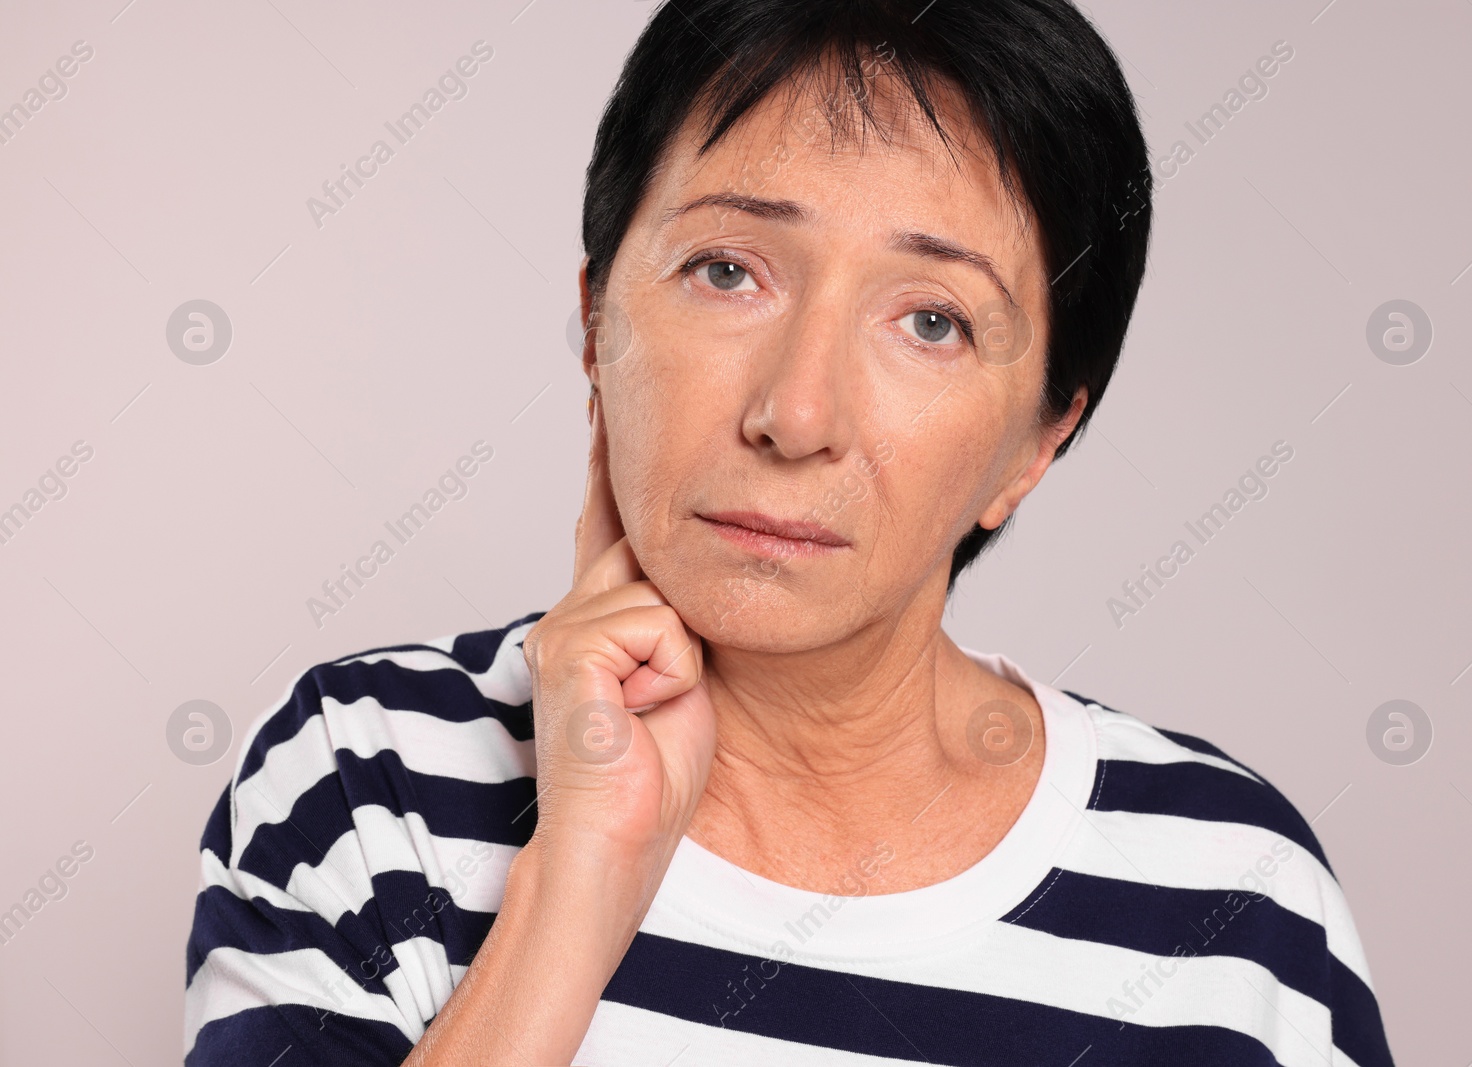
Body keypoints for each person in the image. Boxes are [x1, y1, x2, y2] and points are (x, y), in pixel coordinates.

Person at [183, 1, 1394, 1063]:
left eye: (931, 321)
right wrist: (576, 890)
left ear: (1036, 440)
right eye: (727, 270)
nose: (795, 413)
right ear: (597, 320)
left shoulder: (1226, 898)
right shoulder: (366, 779)